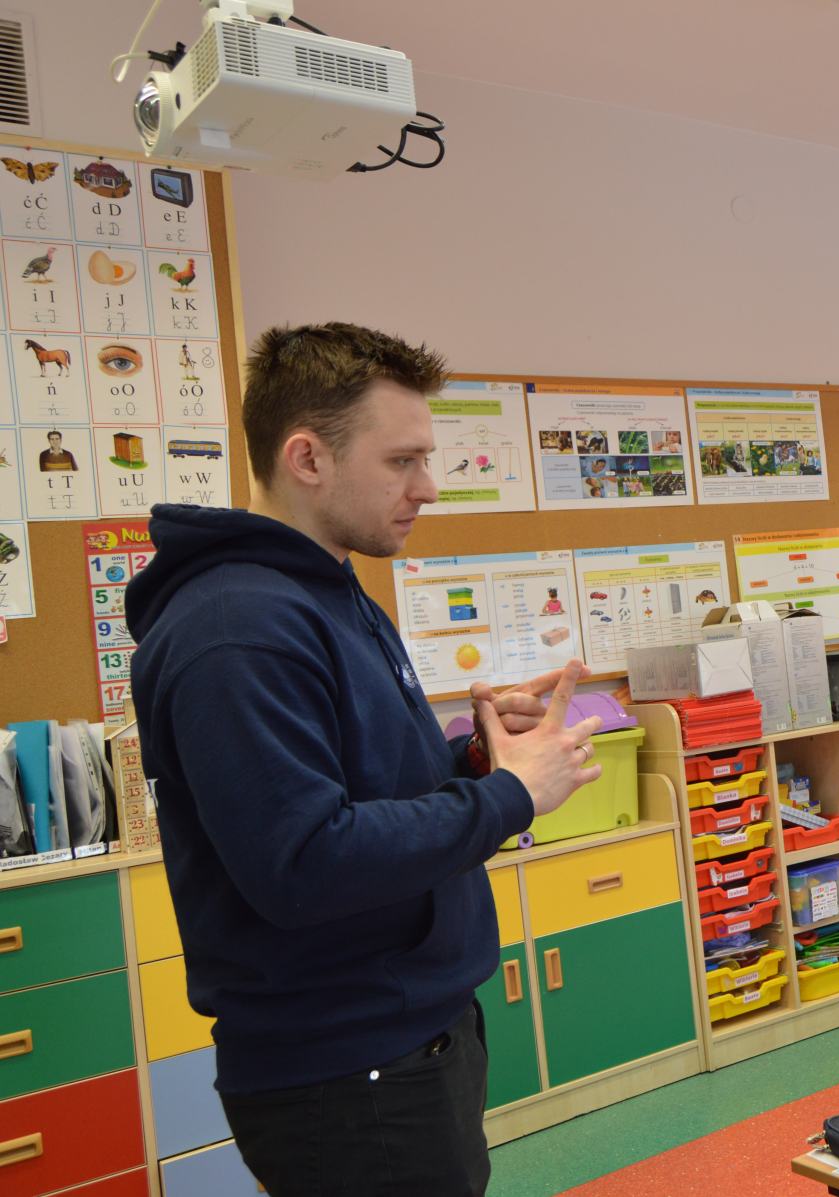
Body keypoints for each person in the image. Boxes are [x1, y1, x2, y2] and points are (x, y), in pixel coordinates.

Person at [125, 323, 605, 1196]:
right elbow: (305, 862)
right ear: (307, 457)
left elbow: (370, 789)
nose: (428, 487)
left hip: (410, 1038)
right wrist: (508, 795)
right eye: (402, 461)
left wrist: (476, 757)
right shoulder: (237, 630)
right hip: (347, 1074)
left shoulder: (328, 587)